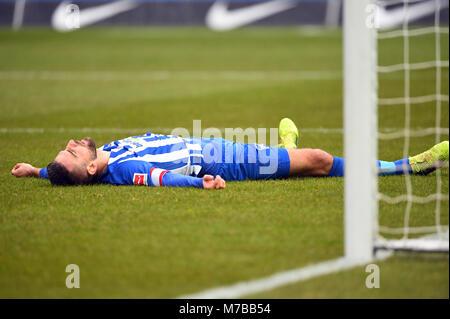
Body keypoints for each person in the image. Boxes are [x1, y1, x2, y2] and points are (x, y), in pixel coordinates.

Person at [11, 118, 449, 190]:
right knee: (317, 161)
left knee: (297, 161)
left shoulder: (102, 154)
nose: (69, 143)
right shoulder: (124, 167)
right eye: (69, 152)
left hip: (221, 143)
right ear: (89, 167)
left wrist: (37, 171)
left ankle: (286, 149)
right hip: (229, 162)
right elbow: (160, 179)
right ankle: (409, 166)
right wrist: (201, 183)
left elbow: (65, 173)